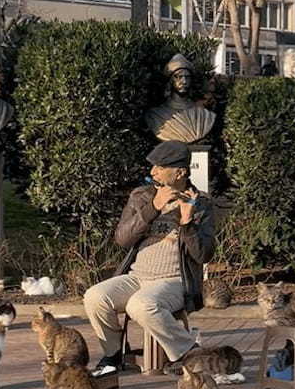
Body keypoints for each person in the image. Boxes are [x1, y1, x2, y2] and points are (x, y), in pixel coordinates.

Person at [84, 140, 215, 375]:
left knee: (142, 304)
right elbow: (122, 239)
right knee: (95, 296)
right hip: (137, 277)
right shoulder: (142, 196)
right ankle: (112, 355)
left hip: (175, 281)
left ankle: (189, 352)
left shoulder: (201, 204)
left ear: (180, 172)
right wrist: (153, 206)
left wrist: (187, 223)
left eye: (159, 167)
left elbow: (203, 255)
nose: (152, 172)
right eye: (152, 166)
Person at [145, 54, 216, 144]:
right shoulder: (155, 115)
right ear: (170, 81)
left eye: (187, 77)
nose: (184, 81)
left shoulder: (204, 115)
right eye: (178, 77)